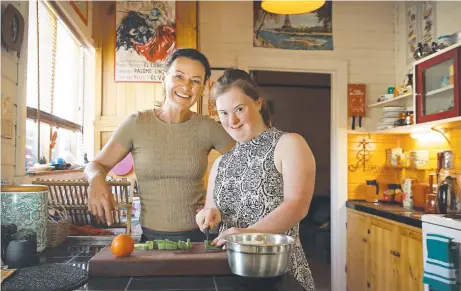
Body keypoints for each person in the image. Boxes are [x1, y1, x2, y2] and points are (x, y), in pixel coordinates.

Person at [85, 49, 235, 242]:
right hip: (150, 239)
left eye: (195, 81)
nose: (186, 86)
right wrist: (95, 178)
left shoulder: (208, 127)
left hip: (199, 237)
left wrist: (215, 203)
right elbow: (95, 165)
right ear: (164, 78)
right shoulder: (136, 123)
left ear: (203, 88)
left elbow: (245, 165)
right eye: (179, 76)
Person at [195, 69, 316, 291]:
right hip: (231, 274)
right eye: (223, 113)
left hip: (279, 274)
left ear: (258, 103)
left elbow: (297, 205)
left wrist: (247, 235)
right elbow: (211, 209)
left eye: (239, 109)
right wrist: (208, 215)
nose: (231, 120)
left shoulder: (289, 144)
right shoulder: (222, 163)